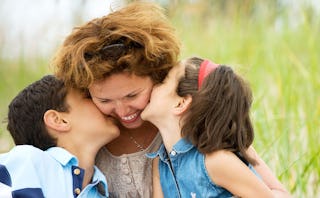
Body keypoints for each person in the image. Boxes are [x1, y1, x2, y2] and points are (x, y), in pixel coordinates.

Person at [52, 2, 290, 197]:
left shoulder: (200, 127)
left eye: (132, 95)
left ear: (157, 76)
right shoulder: (91, 134)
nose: (123, 109)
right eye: (104, 100)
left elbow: (276, 192)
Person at [142, 57, 278, 197]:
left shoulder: (215, 161)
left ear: (181, 103)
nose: (154, 86)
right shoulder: (160, 163)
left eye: (163, 82)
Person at [0, 75, 120, 198]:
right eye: (88, 97)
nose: (102, 105)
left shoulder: (102, 192)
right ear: (59, 120)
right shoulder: (27, 160)